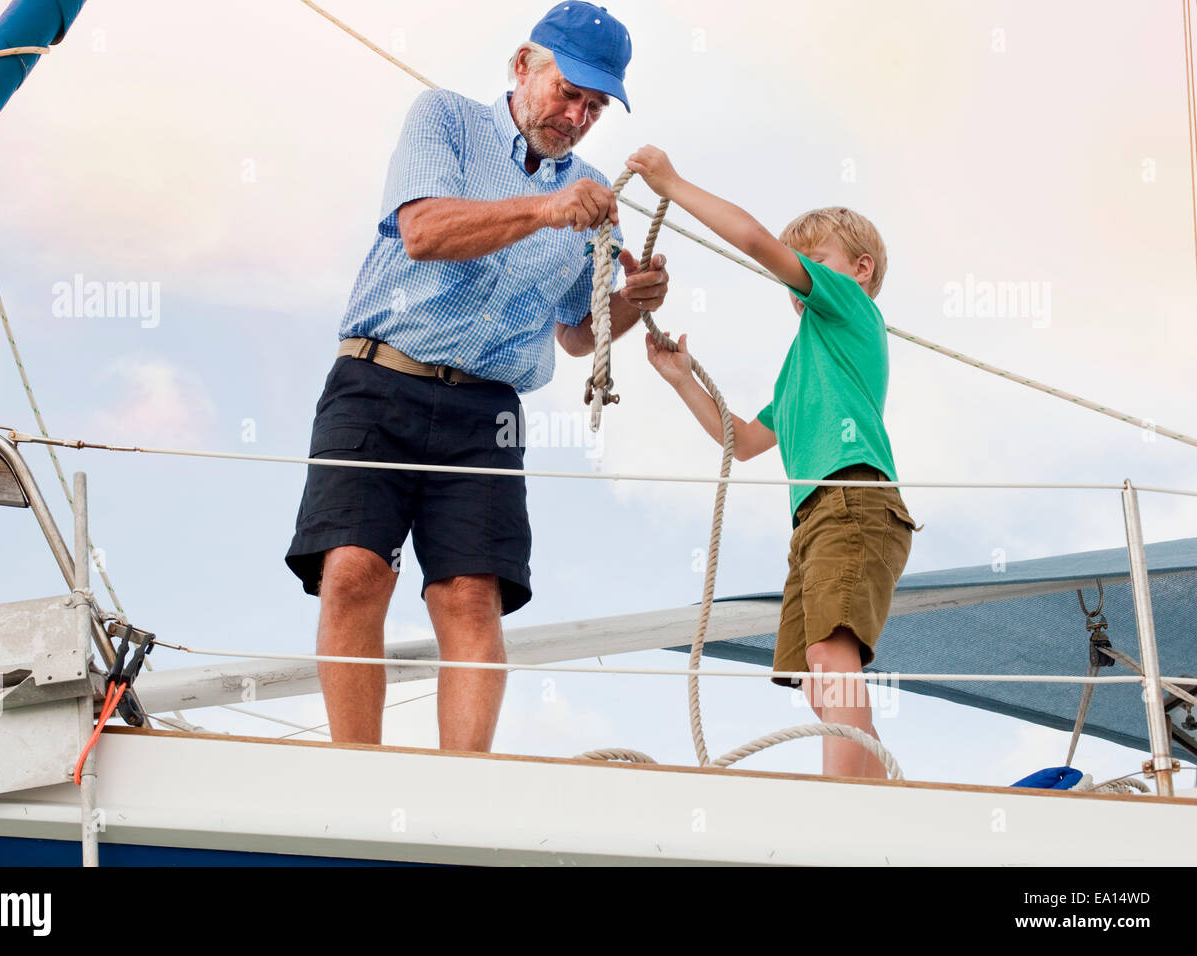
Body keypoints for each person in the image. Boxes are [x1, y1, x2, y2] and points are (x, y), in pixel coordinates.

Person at [285, 3, 669, 753]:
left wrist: (631, 304)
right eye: (568, 91)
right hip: (378, 380)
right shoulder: (445, 119)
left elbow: (576, 332)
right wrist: (545, 208)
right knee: (356, 571)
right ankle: (355, 778)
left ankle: (459, 796)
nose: (577, 114)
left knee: (471, 596)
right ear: (523, 65)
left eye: (594, 106)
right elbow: (425, 231)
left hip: (487, 411)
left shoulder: (597, 197)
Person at [626, 144, 920, 779]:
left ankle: (846, 797)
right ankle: (871, 788)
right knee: (821, 670)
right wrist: (681, 380)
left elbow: (758, 242)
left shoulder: (848, 308)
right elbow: (741, 439)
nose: (798, 274)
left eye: (814, 259)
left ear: (858, 270)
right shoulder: (800, 368)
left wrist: (672, 184)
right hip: (816, 518)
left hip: (854, 500)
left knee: (832, 656)